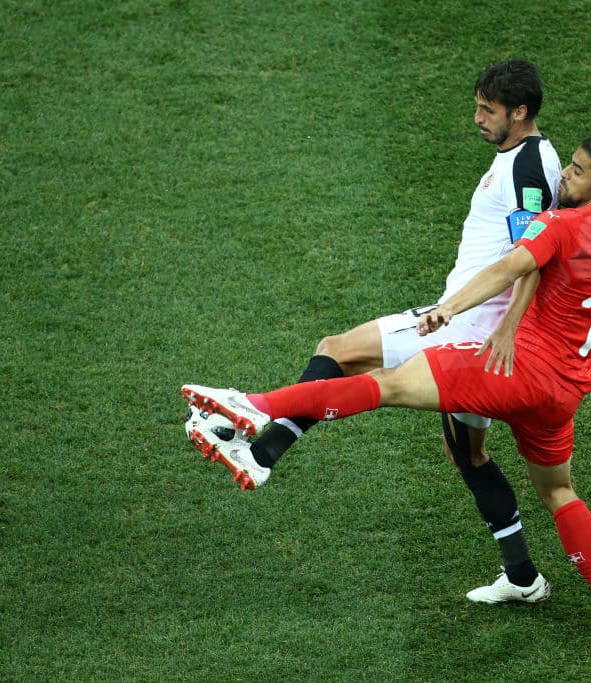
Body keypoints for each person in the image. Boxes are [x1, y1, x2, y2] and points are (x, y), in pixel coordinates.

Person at [183, 135, 591, 634]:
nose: (564, 173)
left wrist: (449, 308)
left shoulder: (562, 224)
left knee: (386, 384)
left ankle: (254, 407)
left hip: (515, 371)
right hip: (565, 394)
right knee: (559, 491)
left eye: (579, 171)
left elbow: (510, 267)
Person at [186, 59, 562, 606]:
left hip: (466, 323)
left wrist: (501, 326)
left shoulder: (529, 167)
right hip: (467, 318)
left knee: (337, 352)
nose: (477, 117)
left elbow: (532, 258)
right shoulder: (523, 157)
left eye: (489, 109)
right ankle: (524, 578)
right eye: (478, 105)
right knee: (467, 454)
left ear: (520, 113)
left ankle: (259, 451)